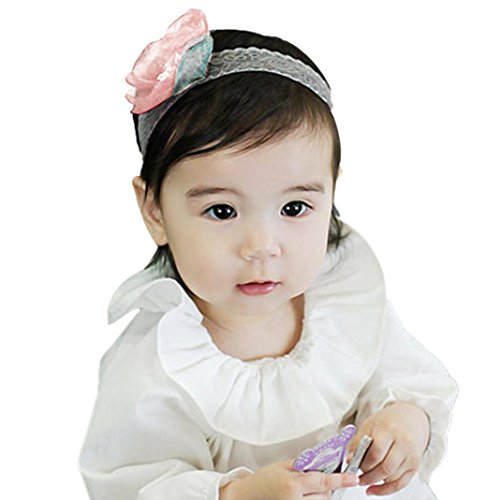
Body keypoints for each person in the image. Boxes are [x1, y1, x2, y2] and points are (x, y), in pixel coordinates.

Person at [79, 8, 458, 500]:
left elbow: (413, 383)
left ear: (331, 192)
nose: (261, 246)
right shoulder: (158, 364)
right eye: (221, 211)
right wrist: (238, 494)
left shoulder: (344, 307)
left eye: (294, 207)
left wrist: (403, 423)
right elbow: (134, 484)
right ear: (155, 210)